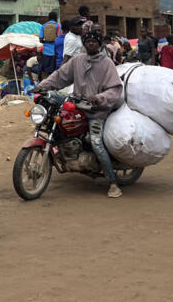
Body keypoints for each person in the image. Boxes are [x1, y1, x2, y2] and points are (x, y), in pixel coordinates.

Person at [36, 27, 125, 198]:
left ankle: (113, 182)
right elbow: (60, 76)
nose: (91, 43)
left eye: (94, 41)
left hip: (97, 111)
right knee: (56, 118)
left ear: (99, 44)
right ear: (84, 43)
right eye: (88, 41)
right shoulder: (77, 60)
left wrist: (99, 98)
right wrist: (41, 86)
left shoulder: (107, 63)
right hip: (77, 104)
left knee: (97, 143)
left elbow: (115, 89)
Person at [38, 12, 61, 78]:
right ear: (56, 18)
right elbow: (59, 38)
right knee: (54, 72)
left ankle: (45, 85)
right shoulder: (58, 25)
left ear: (48, 18)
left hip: (46, 52)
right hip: (55, 52)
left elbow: (40, 40)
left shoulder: (44, 25)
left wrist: (46, 41)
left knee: (45, 71)